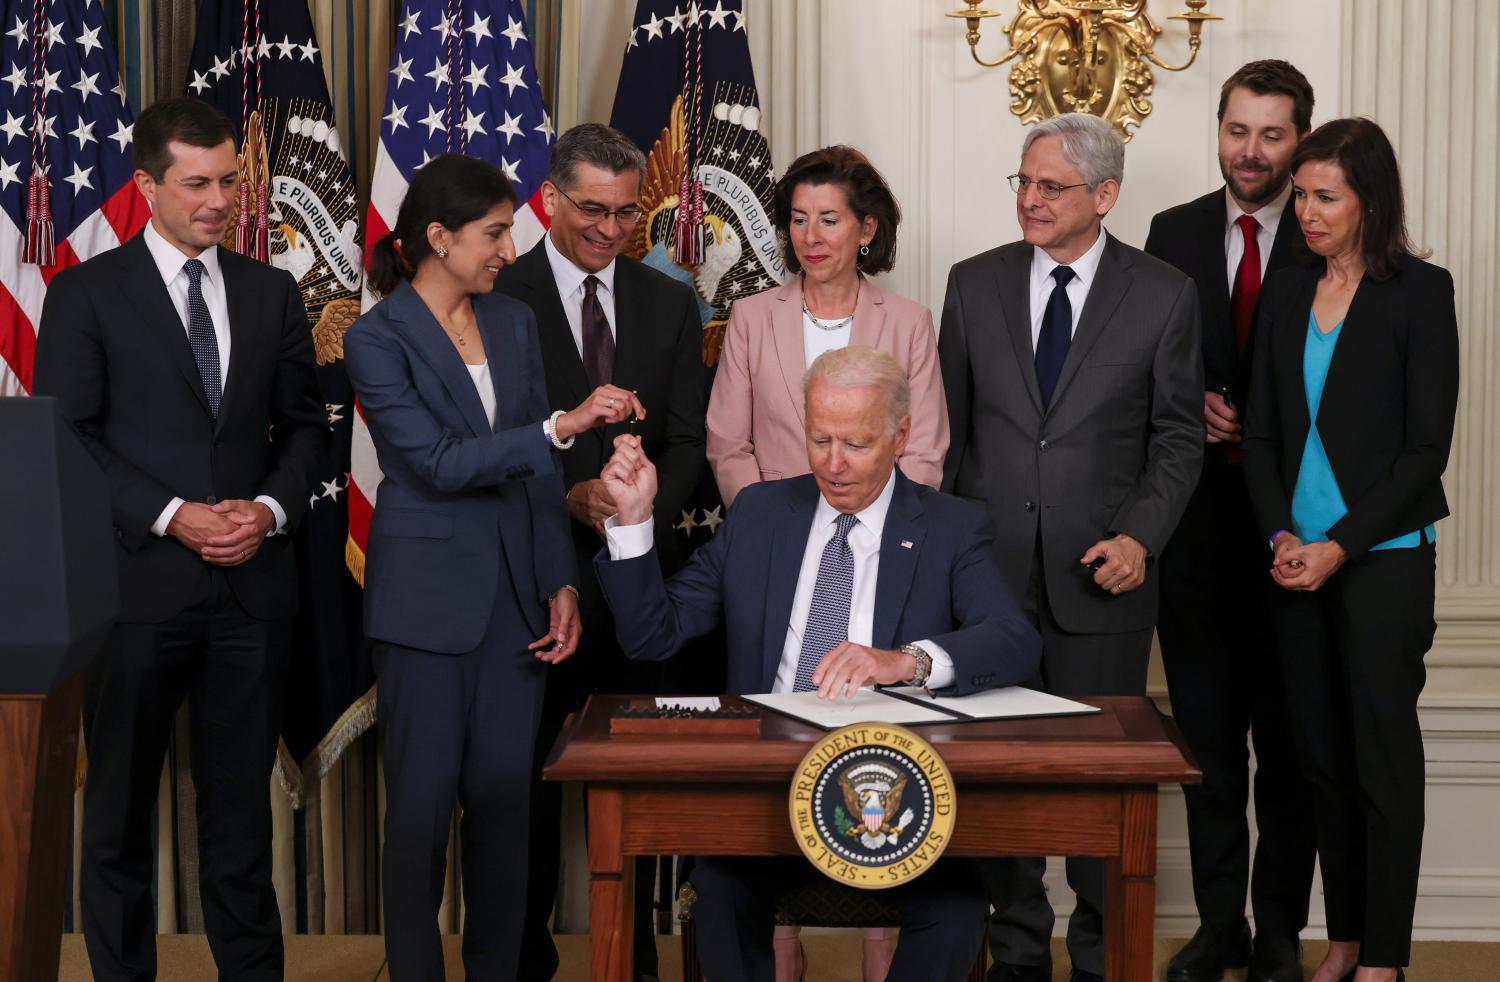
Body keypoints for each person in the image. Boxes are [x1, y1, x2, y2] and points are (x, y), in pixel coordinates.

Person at [595, 345, 1041, 982]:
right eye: (819, 438)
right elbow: (651, 635)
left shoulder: (950, 526)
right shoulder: (758, 514)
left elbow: (1013, 640)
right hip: (763, 796)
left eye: (856, 444)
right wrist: (634, 522)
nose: (833, 464)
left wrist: (902, 661)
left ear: (901, 435)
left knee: (958, 906)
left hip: (898, 798)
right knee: (718, 891)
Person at [32, 97, 327, 981]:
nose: (219, 199)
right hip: (135, 592)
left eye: (230, 180)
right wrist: (173, 514)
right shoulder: (85, 291)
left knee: (240, 823)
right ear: (147, 186)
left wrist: (267, 511)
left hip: (249, 595)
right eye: (196, 183)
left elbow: (306, 428)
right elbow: (67, 437)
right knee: (118, 818)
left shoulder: (271, 290)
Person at [345, 154, 641, 980]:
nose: (511, 249)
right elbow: (435, 463)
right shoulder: (376, 337)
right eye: (496, 232)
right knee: (420, 817)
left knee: (508, 817)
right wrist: (560, 424)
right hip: (426, 616)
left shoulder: (510, 323)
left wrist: (562, 582)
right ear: (437, 238)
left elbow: (537, 480)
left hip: (518, 607)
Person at [937, 112, 1203, 982]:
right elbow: (948, 435)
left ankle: (1097, 962)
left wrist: (1140, 537)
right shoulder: (972, 284)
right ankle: (1015, 959)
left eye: (1051, 186)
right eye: (1022, 181)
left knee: (1097, 789)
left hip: (1104, 584)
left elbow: (1177, 439)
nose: (1031, 199)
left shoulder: (1164, 293)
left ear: (1106, 196)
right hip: (987, 583)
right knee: (997, 787)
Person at [1243, 118, 1459, 982]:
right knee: (1318, 763)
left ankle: (1387, 957)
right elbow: (1259, 435)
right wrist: (1282, 537)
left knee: (1380, 763)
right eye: (1300, 194)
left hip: (1385, 560)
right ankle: (1344, 942)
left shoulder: (1422, 292)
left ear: (1371, 199)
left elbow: (1424, 452)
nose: (1306, 211)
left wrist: (1339, 545)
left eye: (1324, 196)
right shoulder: (1289, 291)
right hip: (1294, 561)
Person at [492, 122, 708, 982]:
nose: (611, 229)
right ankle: (521, 958)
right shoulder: (498, 293)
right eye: (592, 210)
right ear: (549, 199)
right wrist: (570, 498)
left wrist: (631, 519)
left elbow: (689, 442)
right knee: (525, 785)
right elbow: (486, 440)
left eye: (626, 213)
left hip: (640, 585)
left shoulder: (668, 300)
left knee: (644, 784)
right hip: (525, 581)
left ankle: (639, 959)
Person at [1144, 60, 1319, 982]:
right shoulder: (1170, 231)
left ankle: (1282, 935)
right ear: (1218, 129)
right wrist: (1190, 405)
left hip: (1296, 534)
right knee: (1208, 749)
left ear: (1301, 140)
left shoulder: (1329, 230)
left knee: (1287, 751)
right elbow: (1144, 362)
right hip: (1197, 536)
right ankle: (1223, 929)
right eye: (1237, 130)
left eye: (1272, 134)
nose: (1250, 152)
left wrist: (1257, 416)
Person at [707, 145, 948, 508]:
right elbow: (727, 444)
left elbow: (924, 450)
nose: (810, 237)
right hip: (773, 524)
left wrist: (884, 530)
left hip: (878, 534)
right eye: (800, 219)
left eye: (829, 220)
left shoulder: (910, 323)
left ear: (866, 229)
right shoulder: (750, 317)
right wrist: (760, 522)